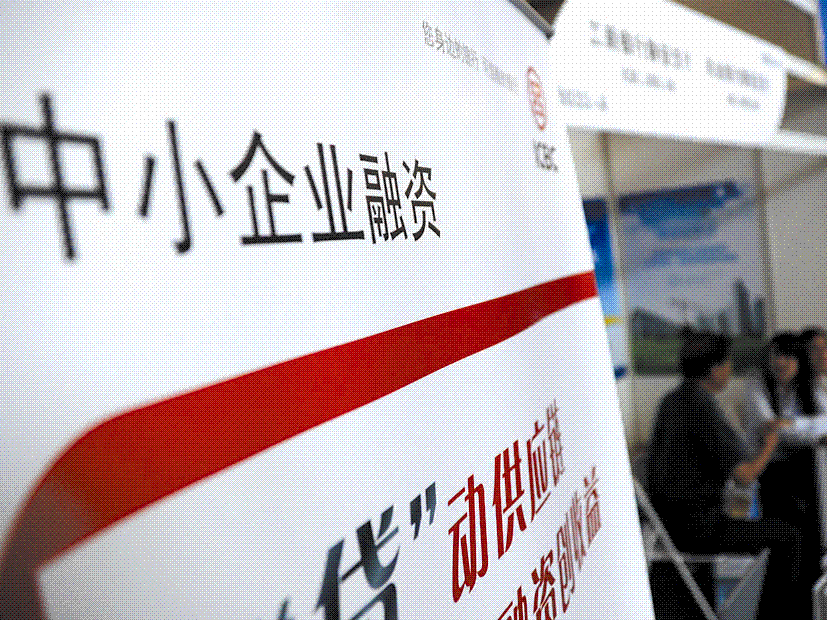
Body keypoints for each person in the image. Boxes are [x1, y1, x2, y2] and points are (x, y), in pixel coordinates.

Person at [645, 332, 811, 619]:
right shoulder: (702, 406)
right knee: (789, 536)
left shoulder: (671, 400)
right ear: (714, 368)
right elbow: (745, 476)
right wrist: (770, 443)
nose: (731, 369)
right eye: (728, 362)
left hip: (668, 523)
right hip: (697, 528)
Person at [740, 332, 826, 586]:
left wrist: (792, 425)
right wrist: (811, 431)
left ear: (799, 361)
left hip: (807, 477)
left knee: (811, 545)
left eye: (788, 356)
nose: (780, 362)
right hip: (771, 476)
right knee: (783, 551)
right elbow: (770, 428)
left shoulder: (809, 387)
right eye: (775, 356)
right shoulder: (756, 383)